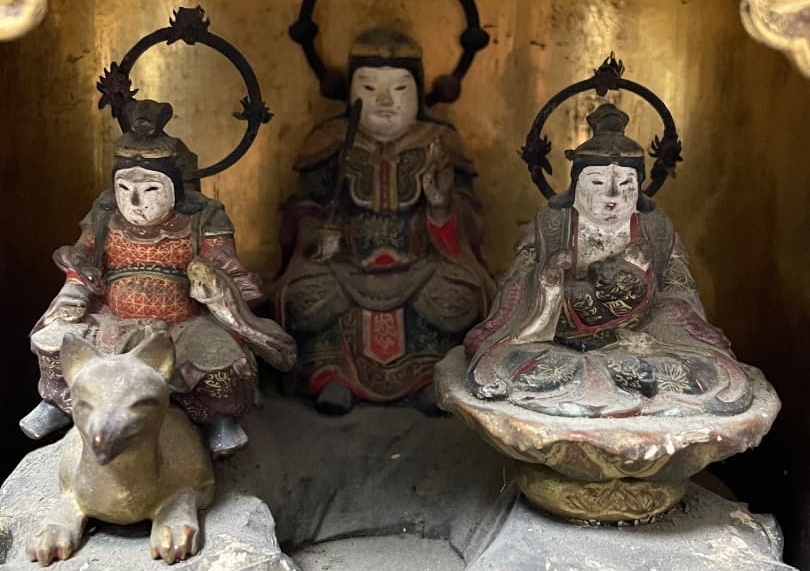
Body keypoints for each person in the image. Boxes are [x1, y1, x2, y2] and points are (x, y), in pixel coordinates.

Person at [22, 107, 294, 454]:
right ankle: (58, 404)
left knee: (220, 358)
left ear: (175, 188)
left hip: (181, 324)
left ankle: (218, 420)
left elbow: (226, 266)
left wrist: (211, 279)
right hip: (112, 320)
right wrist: (75, 291)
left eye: (151, 189)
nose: (135, 202)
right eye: (124, 188)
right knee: (53, 340)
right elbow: (83, 259)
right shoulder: (104, 214)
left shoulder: (204, 218)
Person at [465, 103, 753, 417]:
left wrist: (642, 303)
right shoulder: (551, 225)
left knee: (698, 368)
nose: (612, 195)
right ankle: (617, 387)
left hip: (643, 341)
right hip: (559, 340)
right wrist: (547, 285)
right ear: (576, 184)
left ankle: (598, 390)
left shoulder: (656, 228)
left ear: (639, 187)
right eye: (597, 183)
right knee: (520, 363)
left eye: (627, 184)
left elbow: (680, 293)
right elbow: (513, 290)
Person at [275, 28, 494, 414]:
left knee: (459, 295)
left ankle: (431, 376)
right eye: (369, 87)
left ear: (419, 90)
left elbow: (471, 214)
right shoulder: (329, 139)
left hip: (422, 262)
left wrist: (441, 207)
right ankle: (332, 375)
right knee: (305, 295)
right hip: (345, 264)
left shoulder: (439, 140)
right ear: (349, 91)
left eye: (400, 88)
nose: (385, 101)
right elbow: (302, 205)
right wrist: (316, 233)